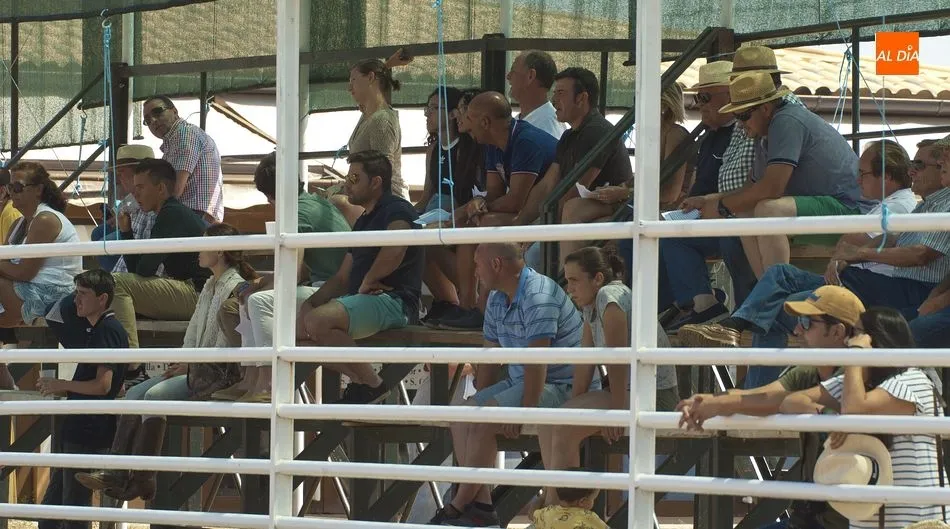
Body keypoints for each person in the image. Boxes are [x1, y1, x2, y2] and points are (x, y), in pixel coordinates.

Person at [679, 138, 946, 380]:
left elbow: (912, 252)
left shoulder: (905, 204)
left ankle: (743, 353)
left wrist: (856, 254)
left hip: (890, 291)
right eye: (913, 164)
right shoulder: (924, 204)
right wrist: (849, 255)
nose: (913, 171)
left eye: (920, 165)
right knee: (780, 275)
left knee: (779, 307)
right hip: (869, 284)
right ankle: (735, 330)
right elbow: (886, 240)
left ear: (885, 176)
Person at [75, 223, 258, 501]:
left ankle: (143, 478)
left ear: (220, 250)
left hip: (220, 374)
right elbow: (194, 330)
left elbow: (227, 340)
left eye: (204, 244)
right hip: (198, 368)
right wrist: (184, 360)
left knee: (153, 395)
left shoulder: (233, 287)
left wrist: (191, 364)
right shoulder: (210, 285)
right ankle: (117, 471)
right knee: (134, 394)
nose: (198, 250)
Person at [677, 285, 867, 529]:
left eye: (807, 323)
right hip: (815, 518)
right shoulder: (812, 371)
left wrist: (717, 403)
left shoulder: (856, 376)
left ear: (837, 332)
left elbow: (773, 400)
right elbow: (764, 395)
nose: (797, 330)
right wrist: (710, 401)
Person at [431, 242, 585, 527]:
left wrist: (522, 412)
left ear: (496, 264)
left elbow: (537, 364)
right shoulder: (496, 297)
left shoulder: (539, 295)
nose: (475, 272)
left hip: (563, 387)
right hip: (525, 382)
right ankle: (481, 506)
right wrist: (477, 404)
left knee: (487, 416)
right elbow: (490, 358)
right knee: (461, 416)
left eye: (477, 264)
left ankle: (458, 505)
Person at [683, 71, 867, 277]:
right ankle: (767, 287)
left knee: (768, 209)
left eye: (743, 116)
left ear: (765, 108)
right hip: (830, 209)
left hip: (852, 210)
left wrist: (722, 207)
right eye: (736, 116)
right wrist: (708, 200)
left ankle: (777, 287)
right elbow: (750, 188)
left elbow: (772, 189)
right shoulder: (765, 131)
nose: (740, 124)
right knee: (745, 212)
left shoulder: (786, 120)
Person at [534, 246, 677, 512]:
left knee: (564, 427)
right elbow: (585, 364)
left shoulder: (610, 298)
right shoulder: (591, 304)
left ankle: (559, 510)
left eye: (574, 280)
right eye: (567, 280)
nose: (569, 288)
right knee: (550, 420)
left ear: (597, 278)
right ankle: (554, 504)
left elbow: (618, 360)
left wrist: (617, 413)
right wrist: (575, 406)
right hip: (627, 392)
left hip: (652, 397)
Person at [780, 306, 947, 529]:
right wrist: (830, 415)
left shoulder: (913, 380)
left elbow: (854, 411)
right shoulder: (857, 385)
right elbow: (791, 402)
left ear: (876, 340)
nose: (848, 340)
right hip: (870, 519)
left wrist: (856, 355)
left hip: (916, 519)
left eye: (855, 334)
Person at [212, 152, 351, 401]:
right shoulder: (315, 204)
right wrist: (258, 283)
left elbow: (292, 275)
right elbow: (301, 269)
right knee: (247, 300)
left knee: (256, 301)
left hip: (333, 293)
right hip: (329, 287)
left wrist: (258, 287)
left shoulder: (297, 213)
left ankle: (267, 384)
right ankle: (251, 380)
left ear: (270, 195)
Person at [297, 150, 423, 404]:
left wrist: (369, 280)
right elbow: (342, 277)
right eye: (348, 177)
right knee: (295, 330)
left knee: (318, 322)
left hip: (396, 302)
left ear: (376, 182)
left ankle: (373, 385)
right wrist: (311, 302)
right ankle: (363, 383)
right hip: (367, 301)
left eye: (354, 178)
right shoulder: (363, 220)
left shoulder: (397, 209)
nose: (347, 184)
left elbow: (397, 245)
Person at [435, 91, 558, 330]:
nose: (464, 123)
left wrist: (474, 208)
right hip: (526, 214)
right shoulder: (491, 144)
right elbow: (494, 193)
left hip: (546, 216)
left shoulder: (526, 141)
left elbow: (516, 201)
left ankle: (484, 309)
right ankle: (468, 306)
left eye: (469, 117)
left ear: (485, 122)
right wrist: (475, 205)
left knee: (483, 222)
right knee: (471, 222)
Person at [657, 61, 757, 329]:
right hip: (712, 212)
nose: (699, 104)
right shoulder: (711, 135)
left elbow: (752, 184)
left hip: (733, 214)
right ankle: (692, 304)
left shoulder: (744, 131)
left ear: (730, 94)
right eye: (697, 97)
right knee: (649, 232)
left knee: (668, 233)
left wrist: (711, 203)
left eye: (705, 97)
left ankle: (700, 306)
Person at [513, 67, 634, 269]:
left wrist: (538, 230)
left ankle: (566, 288)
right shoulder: (568, 135)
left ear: (581, 98)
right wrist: (519, 226)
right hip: (576, 213)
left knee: (533, 255)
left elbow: (575, 189)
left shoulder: (597, 130)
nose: (554, 100)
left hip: (613, 209)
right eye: (554, 93)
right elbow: (547, 185)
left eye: (560, 93)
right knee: (518, 247)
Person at [36, 270, 128, 529]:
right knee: (55, 508)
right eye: (76, 293)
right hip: (81, 426)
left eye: (83, 294)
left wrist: (62, 384)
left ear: (102, 299)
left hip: (89, 431)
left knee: (73, 507)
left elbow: (103, 385)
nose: (76, 300)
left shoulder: (106, 330)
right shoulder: (99, 329)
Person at [111, 158, 210, 348]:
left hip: (198, 295)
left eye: (140, 187)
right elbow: (138, 271)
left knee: (115, 282)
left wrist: (126, 234)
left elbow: (143, 270)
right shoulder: (169, 212)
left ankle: (129, 359)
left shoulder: (171, 214)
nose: (135, 194)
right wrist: (126, 232)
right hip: (193, 292)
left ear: (161, 189)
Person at [0, 162, 81, 328]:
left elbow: (24, 272)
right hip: (26, 288)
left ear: (38, 189)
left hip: (53, 295)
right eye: (10, 187)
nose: (12, 192)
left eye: (18, 187)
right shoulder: (19, 223)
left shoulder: (45, 219)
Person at [142, 95, 223, 223]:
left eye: (157, 112)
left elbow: (175, 190)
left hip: (193, 217)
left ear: (174, 111)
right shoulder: (176, 139)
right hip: (192, 216)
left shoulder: (185, 134)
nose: (153, 120)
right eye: (147, 120)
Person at [345, 59, 407, 199]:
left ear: (371, 77)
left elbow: (382, 177)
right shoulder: (368, 116)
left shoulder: (382, 121)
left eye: (353, 80)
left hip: (386, 204)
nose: (349, 87)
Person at [91, 144, 157, 272]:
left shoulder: (149, 200)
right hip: (131, 228)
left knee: (103, 245)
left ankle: (113, 275)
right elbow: (123, 208)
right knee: (99, 232)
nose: (118, 179)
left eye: (121, 173)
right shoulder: (133, 194)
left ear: (138, 173)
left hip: (135, 233)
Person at [506, 50, 566, 139]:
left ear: (530, 76)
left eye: (513, 71)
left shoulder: (546, 129)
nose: (508, 77)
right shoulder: (524, 120)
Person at [533, 480, 608, 529]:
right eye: (593, 499)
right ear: (582, 501)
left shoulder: (547, 512)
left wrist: (542, 496)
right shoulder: (589, 517)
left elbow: (533, 514)